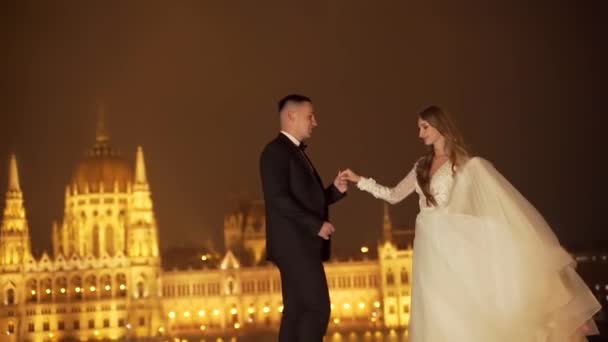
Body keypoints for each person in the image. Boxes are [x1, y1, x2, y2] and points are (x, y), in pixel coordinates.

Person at [340, 105, 601, 342]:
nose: (419, 133)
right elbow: (394, 195)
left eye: (424, 127)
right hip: (428, 245)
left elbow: (479, 204)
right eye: (419, 127)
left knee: (461, 303)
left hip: (452, 241)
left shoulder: (464, 165)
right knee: (435, 305)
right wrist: (360, 180)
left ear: (439, 127)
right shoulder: (420, 165)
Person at [259, 94, 348, 342]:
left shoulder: (293, 153)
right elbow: (278, 199)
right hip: (294, 244)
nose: (315, 122)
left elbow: (304, 200)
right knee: (317, 307)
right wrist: (316, 225)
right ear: (291, 116)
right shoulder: (274, 152)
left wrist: (333, 192)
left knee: (297, 311)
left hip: (297, 243)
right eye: (310, 116)